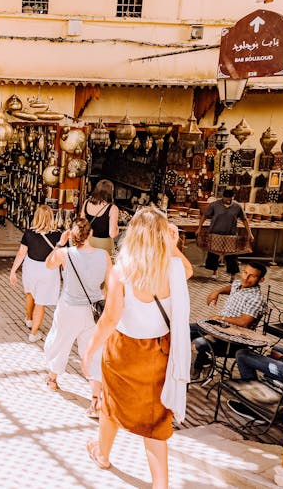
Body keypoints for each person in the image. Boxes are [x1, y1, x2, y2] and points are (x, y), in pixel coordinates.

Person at [83, 208, 192, 488]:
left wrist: (90, 350)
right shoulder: (173, 268)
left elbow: (110, 318)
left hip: (124, 351)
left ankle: (103, 454)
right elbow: (188, 270)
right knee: (156, 419)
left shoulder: (121, 271)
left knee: (111, 404)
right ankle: (160, 484)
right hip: (159, 351)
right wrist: (173, 247)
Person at [43, 218, 109, 418]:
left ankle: (52, 379)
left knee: (60, 341)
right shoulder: (104, 255)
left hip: (69, 308)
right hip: (93, 310)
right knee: (93, 352)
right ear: (91, 234)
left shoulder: (65, 253)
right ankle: (95, 400)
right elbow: (109, 284)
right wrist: (102, 300)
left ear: (72, 235)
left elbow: (48, 264)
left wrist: (60, 243)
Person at [190, 262, 268, 379]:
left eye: (252, 276)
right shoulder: (238, 284)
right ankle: (205, 362)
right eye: (245, 272)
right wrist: (217, 291)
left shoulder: (256, 298)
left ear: (261, 280)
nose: (245, 278)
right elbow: (231, 287)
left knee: (198, 343)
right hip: (217, 328)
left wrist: (221, 318)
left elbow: (244, 322)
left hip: (232, 340)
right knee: (183, 331)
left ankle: (194, 373)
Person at [9, 205, 63, 343]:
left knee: (30, 293)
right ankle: (33, 333)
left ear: (36, 217)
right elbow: (62, 256)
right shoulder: (58, 235)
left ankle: (29, 318)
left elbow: (21, 253)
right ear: (51, 217)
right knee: (41, 302)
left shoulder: (29, 233)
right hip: (49, 270)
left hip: (31, 268)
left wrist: (13, 271)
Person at [196, 188, 253, 279]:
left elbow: (244, 220)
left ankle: (232, 276)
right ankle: (214, 272)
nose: (228, 200)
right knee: (214, 254)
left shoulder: (237, 206)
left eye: (230, 198)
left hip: (230, 235)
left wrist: (250, 233)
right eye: (226, 198)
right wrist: (199, 228)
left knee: (232, 256)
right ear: (223, 197)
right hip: (215, 233)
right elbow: (204, 216)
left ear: (233, 197)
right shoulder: (214, 205)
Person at [81, 180, 119, 253]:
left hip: (88, 243)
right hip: (104, 246)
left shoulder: (86, 202)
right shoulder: (113, 208)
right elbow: (112, 234)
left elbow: (82, 224)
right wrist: (117, 229)